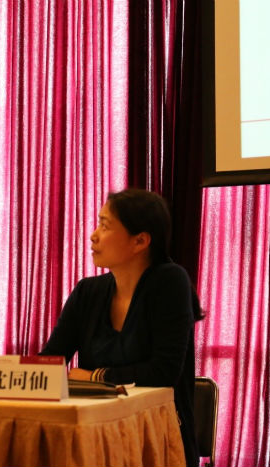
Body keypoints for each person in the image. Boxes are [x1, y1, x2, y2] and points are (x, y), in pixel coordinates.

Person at [40, 188, 201, 466]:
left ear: (140, 241)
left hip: (156, 434)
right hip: (96, 433)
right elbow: (50, 361)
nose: (93, 235)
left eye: (105, 226)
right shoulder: (87, 291)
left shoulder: (170, 281)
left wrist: (94, 377)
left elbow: (163, 372)